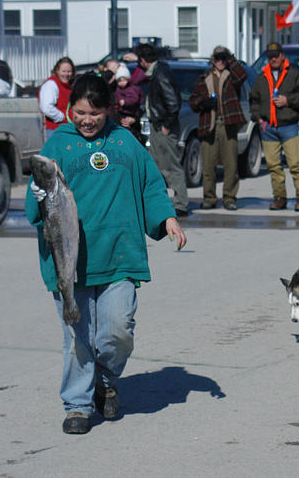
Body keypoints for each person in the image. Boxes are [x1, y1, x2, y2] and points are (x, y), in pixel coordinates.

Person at [25, 73, 187, 435]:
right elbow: (35, 208)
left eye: (95, 113)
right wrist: (38, 191)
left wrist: (167, 219)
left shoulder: (125, 142)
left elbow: (150, 185)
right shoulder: (58, 147)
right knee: (78, 338)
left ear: (108, 110)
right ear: (70, 109)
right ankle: (77, 405)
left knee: (117, 331)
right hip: (71, 264)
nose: (86, 120)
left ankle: (104, 379)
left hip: (119, 256)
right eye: (80, 112)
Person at [249, 42, 299, 211]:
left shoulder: (293, 74)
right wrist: (259, 119)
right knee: (273, 166)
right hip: (268, 128)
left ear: (282, 56)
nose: (274, 59)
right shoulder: (262, 77)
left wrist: (288, 100)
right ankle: (279, 198)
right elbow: (253, 99)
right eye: (270, 56)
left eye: (276, 55)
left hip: (288, 125)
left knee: (295, 164)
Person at [188, 46, 247, 211]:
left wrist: (231, 58)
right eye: (218, 58)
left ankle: (229, 197)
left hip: (228, 123)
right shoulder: (204, 78)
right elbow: (193, 102)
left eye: (223, 58)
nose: (221, 61)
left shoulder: (231, 77)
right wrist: (203, 102)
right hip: (210, 124)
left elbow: (242, 75)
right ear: (212, 60)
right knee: (208, 164)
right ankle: (209, 197)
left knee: (231, 164)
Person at [134, 43, 189, 217]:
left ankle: (181, 203)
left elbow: (173, 102)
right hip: (157, 125)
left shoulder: (161, 74)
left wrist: (167, 125)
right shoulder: (157, 73)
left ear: (143, 61)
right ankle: (162, 202)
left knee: (171, 165)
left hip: (164, 127)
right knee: (158, 165)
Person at [39, 57, 75, 138]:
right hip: (55, 130)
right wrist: (62, 117)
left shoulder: (69, 86)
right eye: (63, 71)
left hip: (67, 129)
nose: (66, 74)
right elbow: (46, 107)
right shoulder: (51, 84)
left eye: (69, 71)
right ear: (57, 71)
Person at [112, 63, 144, 141]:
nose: (122, 83)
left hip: (131, 113)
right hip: (121, 114)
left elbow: (134, 99)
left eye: (124, 80)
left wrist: (125, 102)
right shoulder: (117, 90)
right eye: (120, 81)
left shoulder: (132, 89)